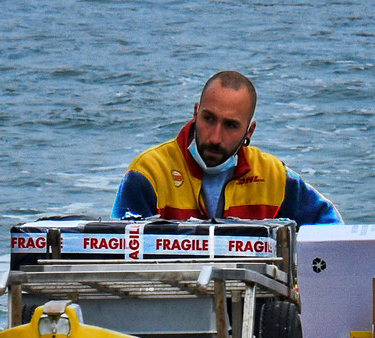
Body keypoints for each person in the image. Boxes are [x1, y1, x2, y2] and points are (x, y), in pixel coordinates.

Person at [113, 71, 341, 225]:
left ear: (249, 132)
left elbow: (331, 230)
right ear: (195, 113)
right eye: (208, 119)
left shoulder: (274, 177)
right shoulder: (148, 173)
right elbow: (118, 253)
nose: (215, 137)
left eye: (231, 125)